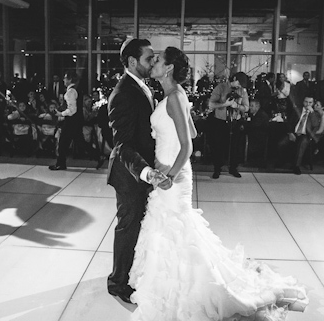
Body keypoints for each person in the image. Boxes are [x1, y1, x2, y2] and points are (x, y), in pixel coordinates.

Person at [129, 47, 308, 321]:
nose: (152, 63)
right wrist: (163, 162)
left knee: (176, 231)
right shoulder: (173, 95)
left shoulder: (175, 96)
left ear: (167, 68)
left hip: (173, 178)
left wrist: (169, 174)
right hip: (169, 171)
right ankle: (173, 285)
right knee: (171, 231)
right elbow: (192, 130)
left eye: (157, 60)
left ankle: (189, 290)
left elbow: (188, 145)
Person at [106, 38, 169, 304]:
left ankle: (132, 272)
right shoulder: (123, 93)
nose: (153, 62)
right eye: (148, 58)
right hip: (129, 174)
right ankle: (117, 282)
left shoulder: (143, 87)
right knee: (128, 227)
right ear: (132, 61)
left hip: (143, 170)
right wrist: (145, 172)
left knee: (138, 226)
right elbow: (122, 144)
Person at [208, 71, 249, 179]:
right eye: (238, 83)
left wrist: (237, 106)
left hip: (235, 121)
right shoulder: (220, 88)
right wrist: (224, 104)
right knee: (218, 146)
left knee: (235, 147)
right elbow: (211, 104)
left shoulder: (242, 91)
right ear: (234, 79)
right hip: (220, 121)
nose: (239, 86)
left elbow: (246, 107)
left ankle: (233, 168)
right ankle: (217, 169)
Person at [289, 96, 324, 175]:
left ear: (313, 104)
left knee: (302, 143)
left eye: (310, 102)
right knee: (281, 143)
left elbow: (315, 124)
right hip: (294, 132)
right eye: (306, 102)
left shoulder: (315, 113)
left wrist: (312, 113)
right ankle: (283, 161)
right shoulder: (297, 110)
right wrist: (290, 133)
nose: (307, 104)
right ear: (303, 102)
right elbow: (289, 122)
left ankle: (296, 166)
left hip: (306, 134)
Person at [244, 98, 270, 164]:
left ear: (257, 106)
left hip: (258, 139)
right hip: (254, 136)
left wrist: (243, 125)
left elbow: (253, 126)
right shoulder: (256, 114)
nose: (250, 108)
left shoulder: (261, 115)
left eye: (252, 106)